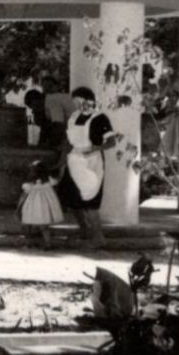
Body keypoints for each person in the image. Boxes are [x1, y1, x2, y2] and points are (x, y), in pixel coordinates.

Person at [55, 86, 114, 244]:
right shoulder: (73, 117)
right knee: (71, 199)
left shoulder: (100, 118)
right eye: (75, 102)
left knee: (91, 201)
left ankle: (98, 237)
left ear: (89, 100)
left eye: (79, 101)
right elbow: (68, 141)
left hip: (92, 161)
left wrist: (95, 148)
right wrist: (61, 161)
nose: (77, 105)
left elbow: (111, 142)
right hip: (74, 159)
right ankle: (84, 231)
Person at [18, 159, 63, 248]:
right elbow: (55, 181)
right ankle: (47, 243)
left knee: (28, 224)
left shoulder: (31, 182)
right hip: (46, 205)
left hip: (32, 205)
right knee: (44, 226)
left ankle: (28, 243)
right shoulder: (48, 180)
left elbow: (26, 189)